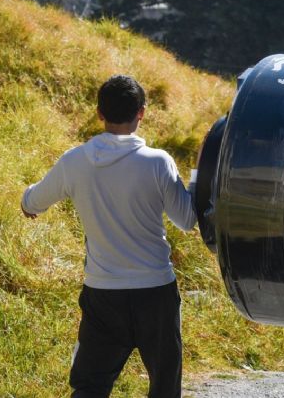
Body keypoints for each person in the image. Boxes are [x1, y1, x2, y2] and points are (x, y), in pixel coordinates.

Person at [21, 75, 196, 398]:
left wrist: (27, 199)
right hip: (155, 291)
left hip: (103, 293)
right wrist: (195, 188)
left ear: (99, 113)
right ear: (142, 112)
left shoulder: (74, 162)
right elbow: (186, 220)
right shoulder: (158, 163)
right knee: (164, 386)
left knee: (90, 385)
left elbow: (32, 202)